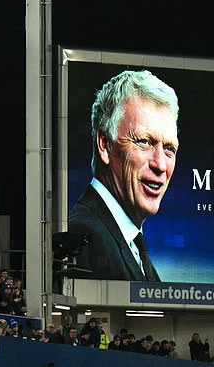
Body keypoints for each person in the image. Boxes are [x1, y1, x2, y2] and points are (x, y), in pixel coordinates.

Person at [68, 70, 179, 281]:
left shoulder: (130, 242)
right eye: (144, 142)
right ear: (104, 145)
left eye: (169, 149)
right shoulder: (85, 238)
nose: (160, 165)